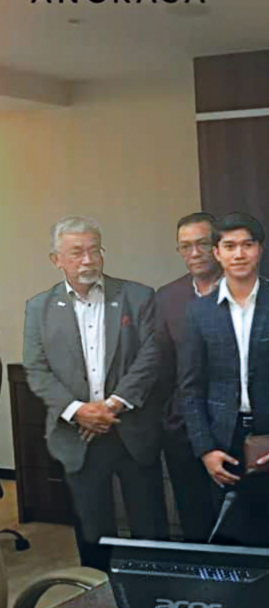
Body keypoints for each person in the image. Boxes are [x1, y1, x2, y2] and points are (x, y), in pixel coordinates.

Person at [23, 216, 166, 571]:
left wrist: (110, 406)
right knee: (92, 531)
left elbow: (152, 357)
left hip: (131, 429)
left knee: (150, 527)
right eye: (77, 253)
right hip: (77, 435)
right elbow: (37, 369)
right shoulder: (39, 307)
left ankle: (157, 591)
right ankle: (98, 594)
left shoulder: (137, 297)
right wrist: (77, 411)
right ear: (56, 259)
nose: (88, 260)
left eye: (94, 250)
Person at [181, 212, 269, 560]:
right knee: (232, 541)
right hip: (223, 440)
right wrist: (205, 449)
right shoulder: (199, 313)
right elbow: (190, 387)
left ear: (260, 250)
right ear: (217, 253)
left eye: (247, 245)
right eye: (230, 246)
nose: (239, 254)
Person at [154, 211, 221, 541]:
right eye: (186, 246)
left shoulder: (244, 288)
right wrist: (169, 417)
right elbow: (161, 366)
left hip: (232, 427)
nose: (194, 253)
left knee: (236, 523)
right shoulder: (167, 298)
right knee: (194, 520)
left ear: (217, 246)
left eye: (202, 244)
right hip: (182, 427)